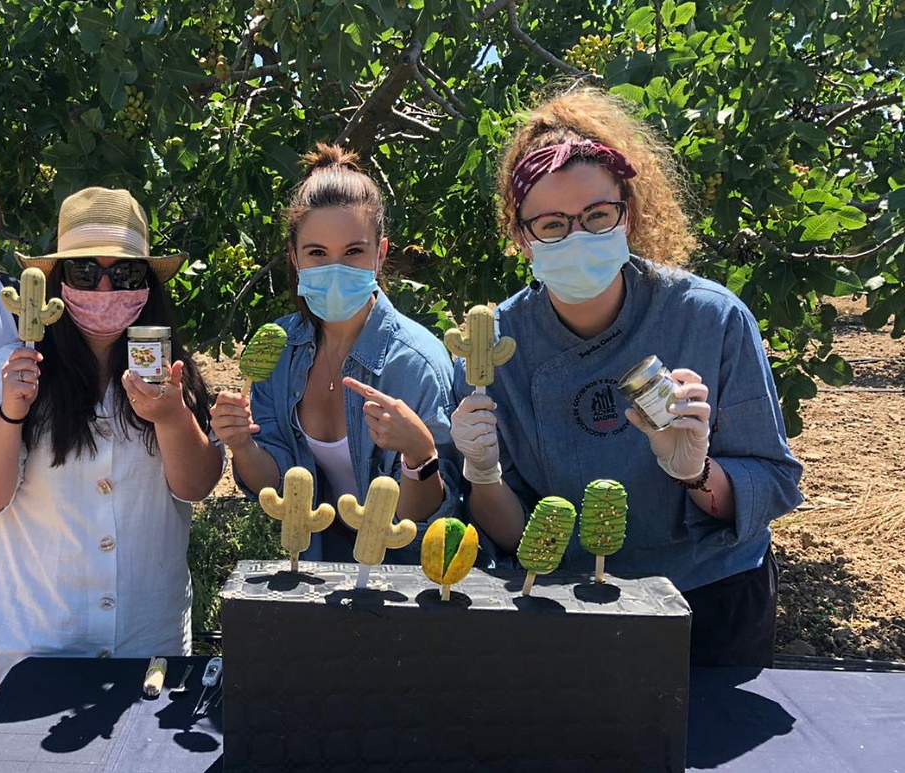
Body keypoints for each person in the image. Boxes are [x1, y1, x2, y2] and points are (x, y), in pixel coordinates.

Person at [449, 85, 803, 666]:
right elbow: (513, 535)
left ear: (628, 214)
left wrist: (695, 472)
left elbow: (775, 481)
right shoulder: (496, 349)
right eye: (552, 225)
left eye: (597, 215)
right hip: (567, 599)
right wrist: (482, 472)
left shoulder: (709, 319)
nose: (578, 237)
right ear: (522, 238)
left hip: (707, 595)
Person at [0, 186, 224, 713]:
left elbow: (196, 485)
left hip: (144, 647)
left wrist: (170, 417)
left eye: (127, 274)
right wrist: (10, 414)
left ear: (149, 286)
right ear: (56, 286)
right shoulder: (10, 368)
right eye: (85, 273)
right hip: (32, 649)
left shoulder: (170, 374)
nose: (106, 288)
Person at [212, 144, 461, 563]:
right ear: (294, 257)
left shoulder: (418, 365)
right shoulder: (279, 350)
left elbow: (427, 521)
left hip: (400, 580)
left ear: (380, 254)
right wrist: (241, 444)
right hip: (313, 570)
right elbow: (273, 484)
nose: (335, 268)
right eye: (317, 253)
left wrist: (420, 457)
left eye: (353, 252)